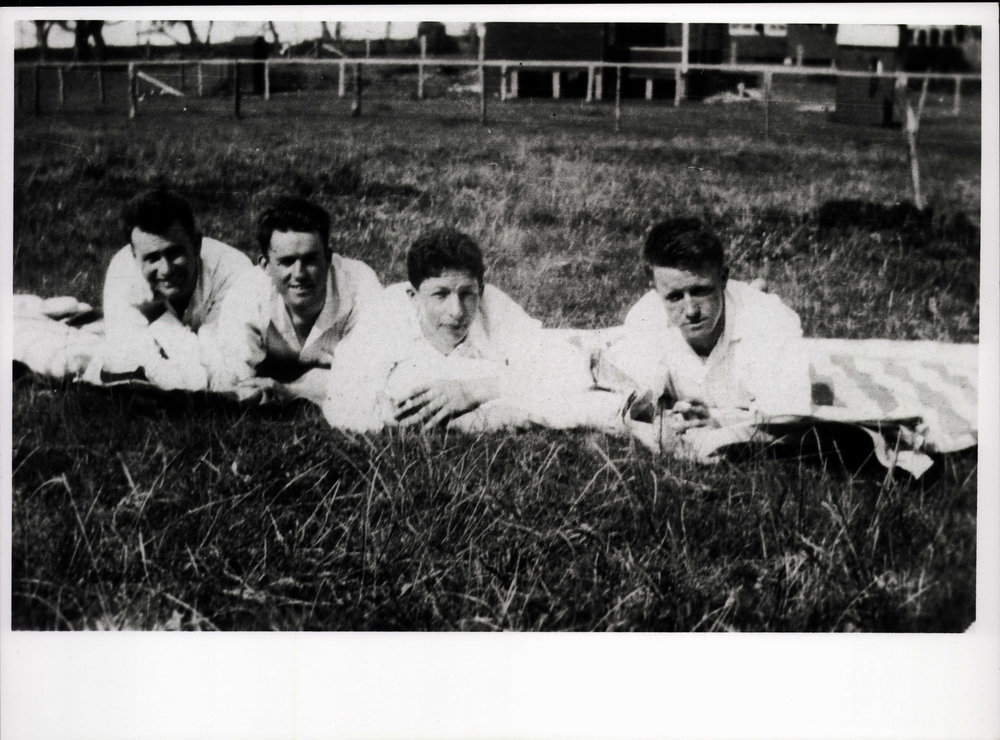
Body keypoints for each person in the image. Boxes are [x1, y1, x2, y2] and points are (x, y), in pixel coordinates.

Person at [323, 227, 622, 433]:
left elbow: (559, 367)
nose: (456, 311)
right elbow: (342, 404)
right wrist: (472, 417)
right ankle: (630, 414)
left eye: (467, 294)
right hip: (490, 378)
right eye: (440, 295)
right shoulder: (385, 315)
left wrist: (474, 390)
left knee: (595, 358)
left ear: (481, 288)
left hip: (579, 346)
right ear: (413, 296)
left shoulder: (493, 306)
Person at [603, 217, 812, 450]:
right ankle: (749, 288)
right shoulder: (645, 316)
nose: (690, 310)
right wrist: (661, 428)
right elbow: (637, 408)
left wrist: (720, 422)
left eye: (700, 291)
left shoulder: (771, 320)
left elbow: (790, 418)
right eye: (674, 297)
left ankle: (753, 291)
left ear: (723, 278)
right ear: (654, 287)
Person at [213, 196, 382, 403]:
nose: (299, 273)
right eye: (287, 261)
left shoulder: (360, 284)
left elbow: (371, 376)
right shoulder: (247, 292)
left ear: (328, 258)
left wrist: (293, 391)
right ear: (265, 265)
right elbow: (234, 381)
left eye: (310, 259)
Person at [91, 188, 252, 390]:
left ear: (196, 245)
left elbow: (224, 380)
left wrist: (156, 315)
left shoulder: (234, 271)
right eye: (152, 258)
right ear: (133, 256)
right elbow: (135, 367)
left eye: (174, 252)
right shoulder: (123, 272)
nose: (165, 270)